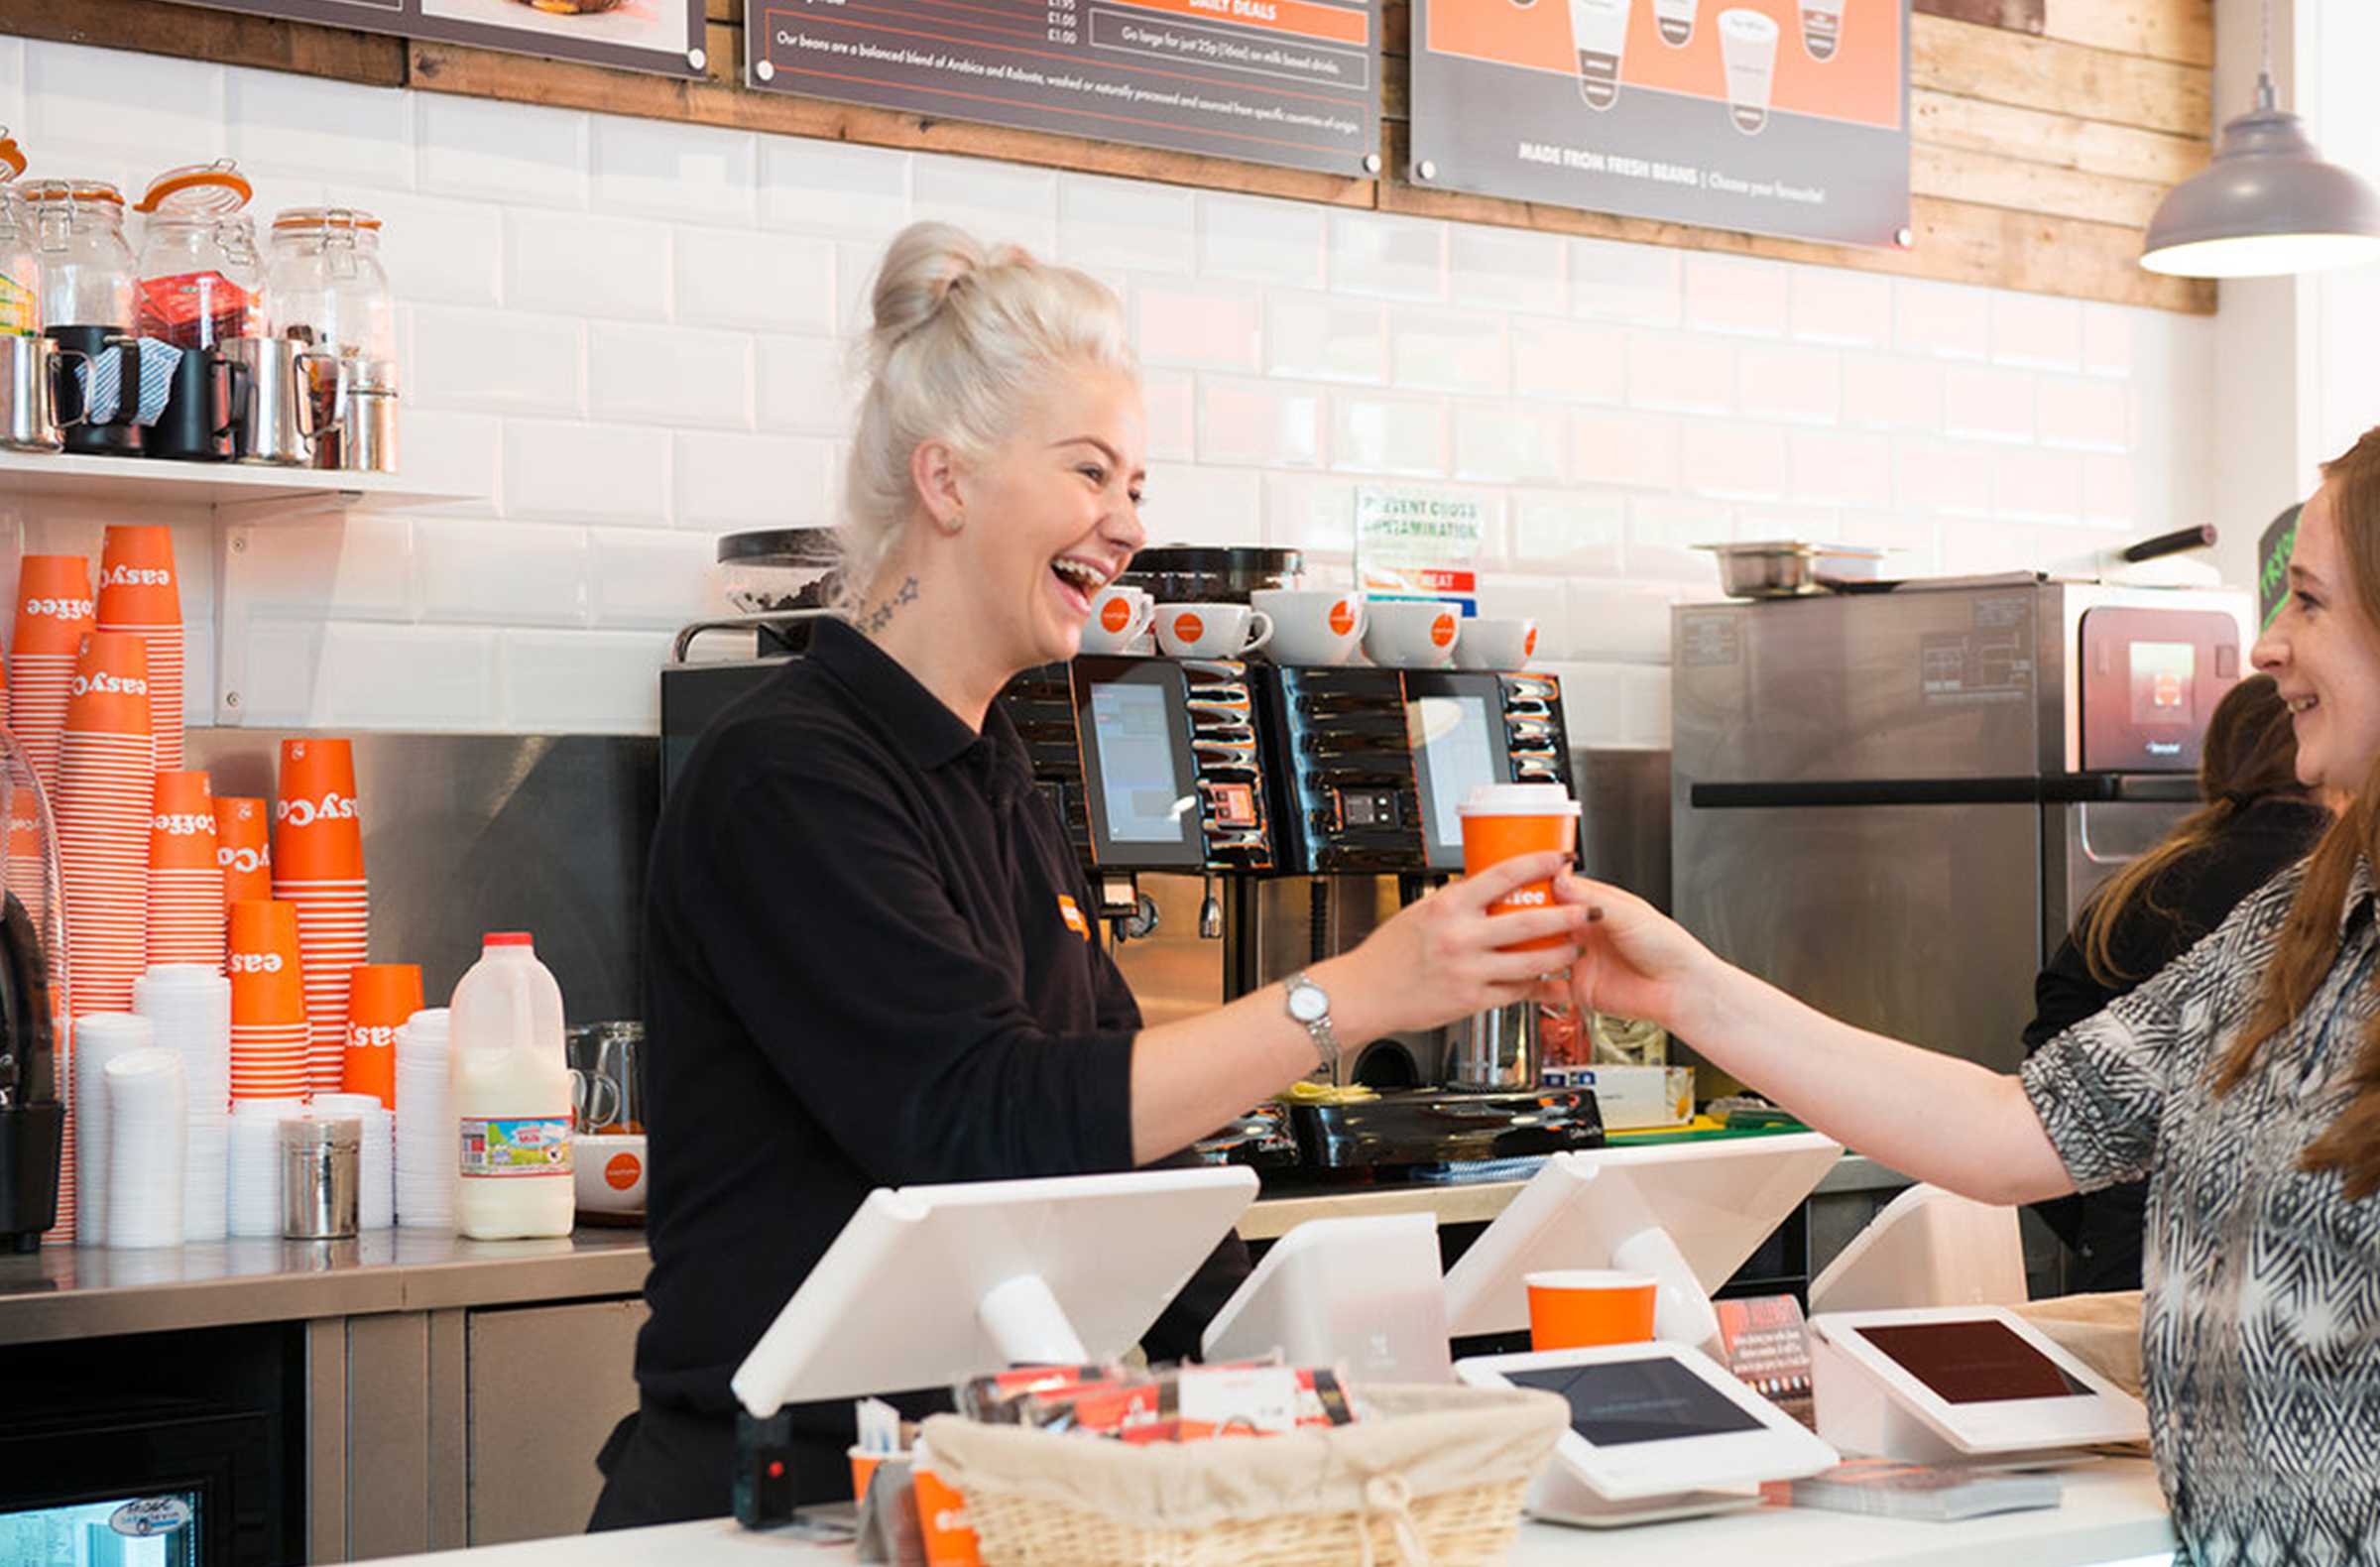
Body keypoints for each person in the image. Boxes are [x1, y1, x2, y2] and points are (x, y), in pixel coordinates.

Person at [589, 223, 1593, 1529]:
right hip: (770, 1505)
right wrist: (1347, 995)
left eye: (1136, 486)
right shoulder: (785, 776)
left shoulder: (994, 766)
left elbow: (1129, 1155)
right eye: (1090, 475)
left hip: (982, 1485)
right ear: (944, 481)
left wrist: (1309, 1394)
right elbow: (976, 1124)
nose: (1126, 528)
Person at [1558, 431, 2380, 1560]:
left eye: (2310, 601)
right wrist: (1689, 990)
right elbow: (2012, 1127)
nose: (2270, 644)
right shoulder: (2301, 921)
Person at [2023, 673, 2330, 1293]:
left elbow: (2044, 1080)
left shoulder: (2137, 891)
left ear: (2215, 760)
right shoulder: (2329, 885)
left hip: (2133, 1266)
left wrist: (2108, 1223)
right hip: (2290, 1281)